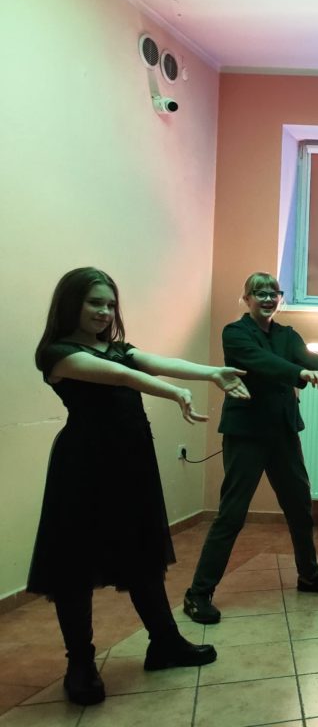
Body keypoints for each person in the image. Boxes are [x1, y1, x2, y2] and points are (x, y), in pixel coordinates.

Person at [31, 267, 247, 706]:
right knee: (75, 565)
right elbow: (122, 377)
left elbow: (156, 362)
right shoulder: (57, 354)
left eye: (110, 304)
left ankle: (164, 642)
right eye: (95, 302)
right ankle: (81, 665)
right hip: (84, 467)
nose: (105, 311)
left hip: (130, 464)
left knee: (142, 554)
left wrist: (211, 373)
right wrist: (175, 393)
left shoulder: (117, 348)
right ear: (72, 304)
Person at [184, 272, 318, 624]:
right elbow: (263, 363)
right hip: (246, 434)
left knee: (299, 507)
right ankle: (198, 593)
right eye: (259, 293)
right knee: (232, 515)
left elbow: (304, 355)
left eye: (273, 293)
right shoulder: (235, 333)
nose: (267, 299)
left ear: (280, 298)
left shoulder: (286, 334)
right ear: (246, 298)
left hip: (283, 433)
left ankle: (309, 576)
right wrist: (301, 374)